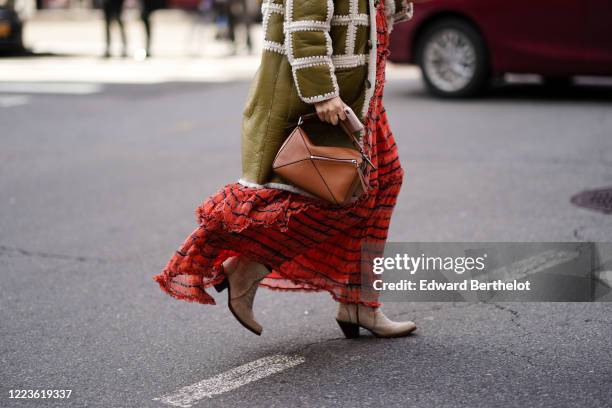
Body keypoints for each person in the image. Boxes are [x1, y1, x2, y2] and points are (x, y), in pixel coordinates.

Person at [154, 0, 416, 338]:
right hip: (325, 100)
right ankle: (249, 267)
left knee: (386, 180)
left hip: (363, 95)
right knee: (344, 196)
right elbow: (304, 25)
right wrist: (321, 93)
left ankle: (359, 303)